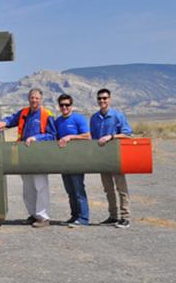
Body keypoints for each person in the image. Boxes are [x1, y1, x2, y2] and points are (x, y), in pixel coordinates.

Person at [0, 88, 57, 228]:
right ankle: (33, 214)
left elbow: (52, 135)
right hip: (24, 155)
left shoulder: (47, 114)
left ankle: (43, 217)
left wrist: (36, 138)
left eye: (36, 98)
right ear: (28, 98)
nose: (34, 100)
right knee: (28, 187)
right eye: (31, 98)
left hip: (39, 155)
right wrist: (4, 122)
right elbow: (12, 119)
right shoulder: (24, 112)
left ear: (41, 99)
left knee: (40, 186)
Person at [90, 88, 134, 229]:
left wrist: (112, 136)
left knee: (121, 187)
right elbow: (93, 139)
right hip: (102, 158)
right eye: (100, 98)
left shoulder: (117, 116)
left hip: (116, 157)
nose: (102, 101)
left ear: (110, 99)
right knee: (108, 188)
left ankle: (125, 217)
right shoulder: (94, 118)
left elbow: (128, 134)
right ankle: (113, 216)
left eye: (105, 98)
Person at [54, 94, 91, 227]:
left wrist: (70, 136)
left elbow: (87, 136)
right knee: (70, 190)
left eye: (67, 105)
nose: (65, 107)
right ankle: (74, 215)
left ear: (72, 106)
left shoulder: (78, 119)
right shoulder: (58, 121)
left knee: (78, 189)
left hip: (77, 160)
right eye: (62, 105)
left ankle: (83, 218)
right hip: (64, 161)